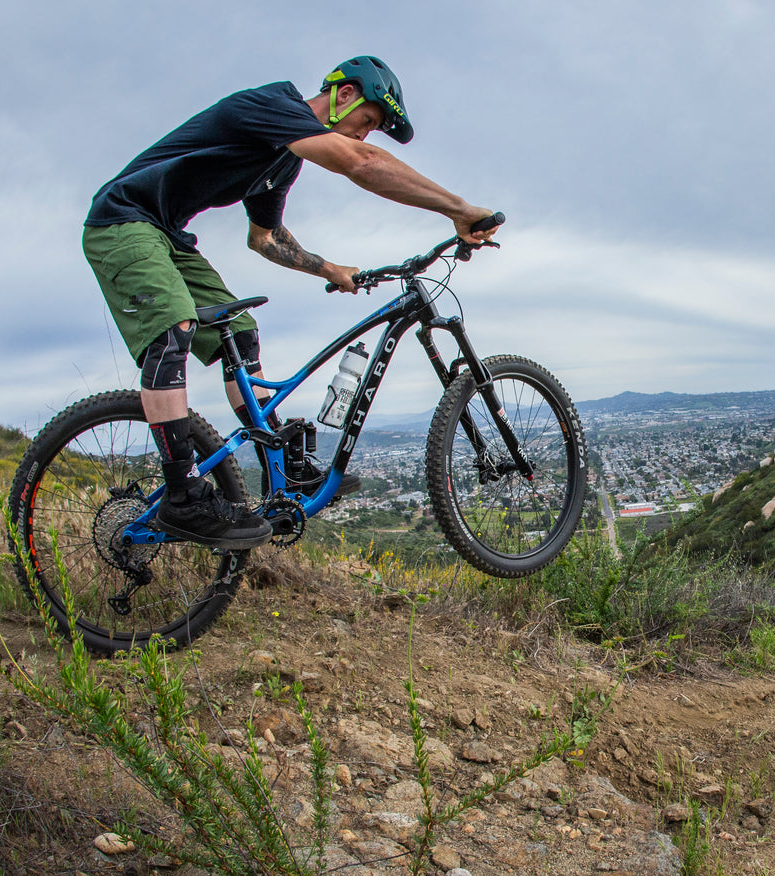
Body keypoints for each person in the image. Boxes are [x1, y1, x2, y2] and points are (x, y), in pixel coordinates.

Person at [82, 56, 500, 549]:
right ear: (344, 94)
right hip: (122, 222)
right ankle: (184, 497)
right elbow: (360, 165)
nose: (365, 137)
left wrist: (329, 269)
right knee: (177, 327)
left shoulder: (283, 157)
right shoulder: (271, 106)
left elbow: (264, 238)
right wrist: (460, 209)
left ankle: (286, 468)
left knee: (240, 334)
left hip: (166, 235)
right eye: (368, 122)